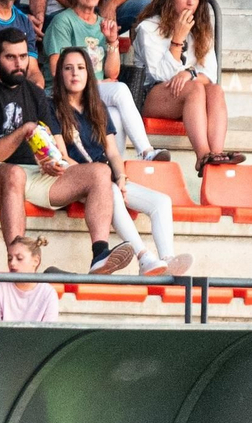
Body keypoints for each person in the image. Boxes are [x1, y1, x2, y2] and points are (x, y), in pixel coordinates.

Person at [0, 27, 135, 271]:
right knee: (15, 174)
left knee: (100, 172)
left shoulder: (35, 93)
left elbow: (50, 143)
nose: (19, 64)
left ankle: (100, 255)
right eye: (10, 57)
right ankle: (18, 260)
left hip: (36, 173)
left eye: (23, 57)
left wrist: (52, 161)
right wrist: (22, 132)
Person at [51, 46, 192, 276]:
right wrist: (101, 178)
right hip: (78, 180)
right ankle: (144, 257)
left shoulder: (97, 107)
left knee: (161, 202)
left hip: (106, 176)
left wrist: (121, 177)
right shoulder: (52, 107)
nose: (74, 74)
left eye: (80, 68)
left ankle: (167, 259)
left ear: (89, 73)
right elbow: (62, 156)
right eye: (68, 69)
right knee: (111, 191)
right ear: (60, 75)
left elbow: (113, 153)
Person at [42, 0, 165, 162]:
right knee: (121, 90)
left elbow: (112, 73)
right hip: (64, 92)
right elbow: (59, 71)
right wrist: (96, 84)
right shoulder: (63, 22)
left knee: (115, 113)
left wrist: (112, 42)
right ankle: (146, 151)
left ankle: (113, 166)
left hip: (93, 93)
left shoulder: (103, 23)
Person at [132, 0, 239, 176]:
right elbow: (159, 76)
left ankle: (215, 155)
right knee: (196, 90)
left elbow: (210, 75)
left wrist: (188, 74)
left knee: (215, 90)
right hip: (151, 94)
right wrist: (177, 39)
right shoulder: (148, 28)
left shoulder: (201, 30)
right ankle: (202, 156)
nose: (191, 2)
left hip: (188, 94)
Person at [0, 235, 58, 322]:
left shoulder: (48, 293)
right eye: (9, 258)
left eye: (19, 258)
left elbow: (49, 331)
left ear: (36, 261)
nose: (12, 263)